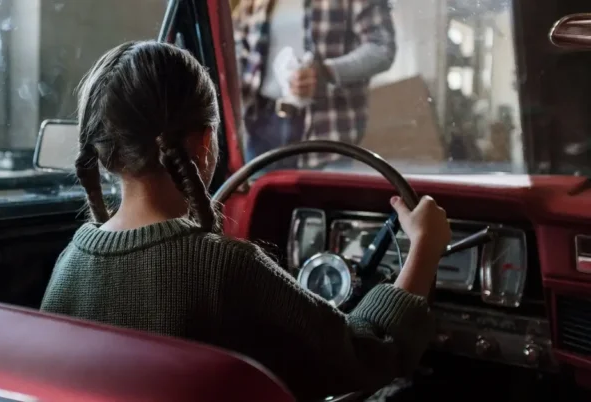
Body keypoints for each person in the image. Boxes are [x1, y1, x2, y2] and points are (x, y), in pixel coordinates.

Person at [40, 40, 451, 400]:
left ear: (108, 152)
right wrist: (424, 249)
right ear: (203, 144)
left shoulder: (69, 262)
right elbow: (369, 353)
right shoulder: (227, 268)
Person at [234, 0, 396, 170]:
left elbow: (382, 48)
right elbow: (237, 46)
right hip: (262, 126)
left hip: (327, 128)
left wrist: (326, 73)